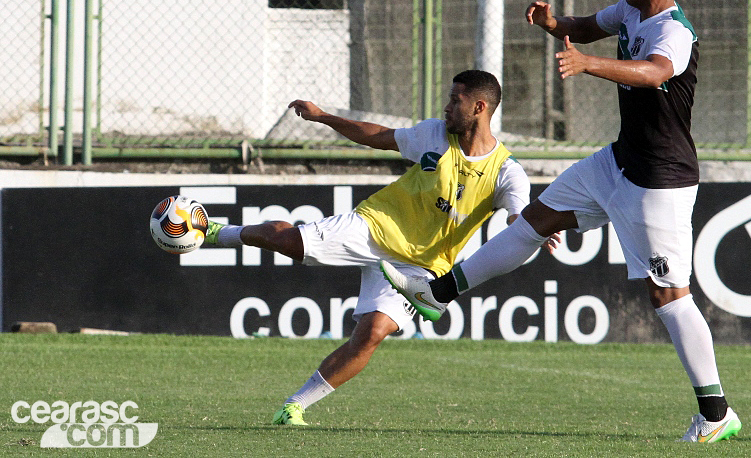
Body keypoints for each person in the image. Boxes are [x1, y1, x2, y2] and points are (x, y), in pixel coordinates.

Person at [380, 0, 741, 443]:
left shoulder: (675, 34)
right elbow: (585, 27)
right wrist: (554, 24)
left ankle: (716, 413)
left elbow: (652, 72)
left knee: (668, 295)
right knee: (534, 221)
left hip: (658, 180)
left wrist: (590, 64)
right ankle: (438, 293)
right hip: (616, 162)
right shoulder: (630, 10)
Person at [203, 70, 552, 426]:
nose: (447, 107)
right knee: (286, 241)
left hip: (419, 267)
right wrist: (323, 117)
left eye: (455, 100)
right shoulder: (434, 133)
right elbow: (380, 136)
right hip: (373, 226)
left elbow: (518, 215)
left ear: (479, 107)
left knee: (371, 334)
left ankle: (294, 406)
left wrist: (533, 230)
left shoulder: (506, 171)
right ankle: (217, 232)